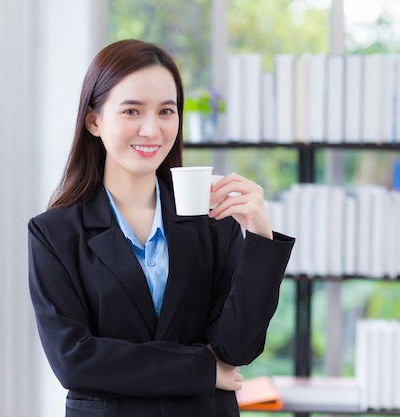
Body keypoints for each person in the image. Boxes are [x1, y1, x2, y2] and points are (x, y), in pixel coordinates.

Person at [28, 39, 295, 417]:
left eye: (166, 111)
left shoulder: (212, 219)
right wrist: (202, 368)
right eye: (132, 111)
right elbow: (75, 360)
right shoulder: (54, 234)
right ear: (94, 120)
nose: (151, 130)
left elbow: (237, 350)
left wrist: (259, 240)